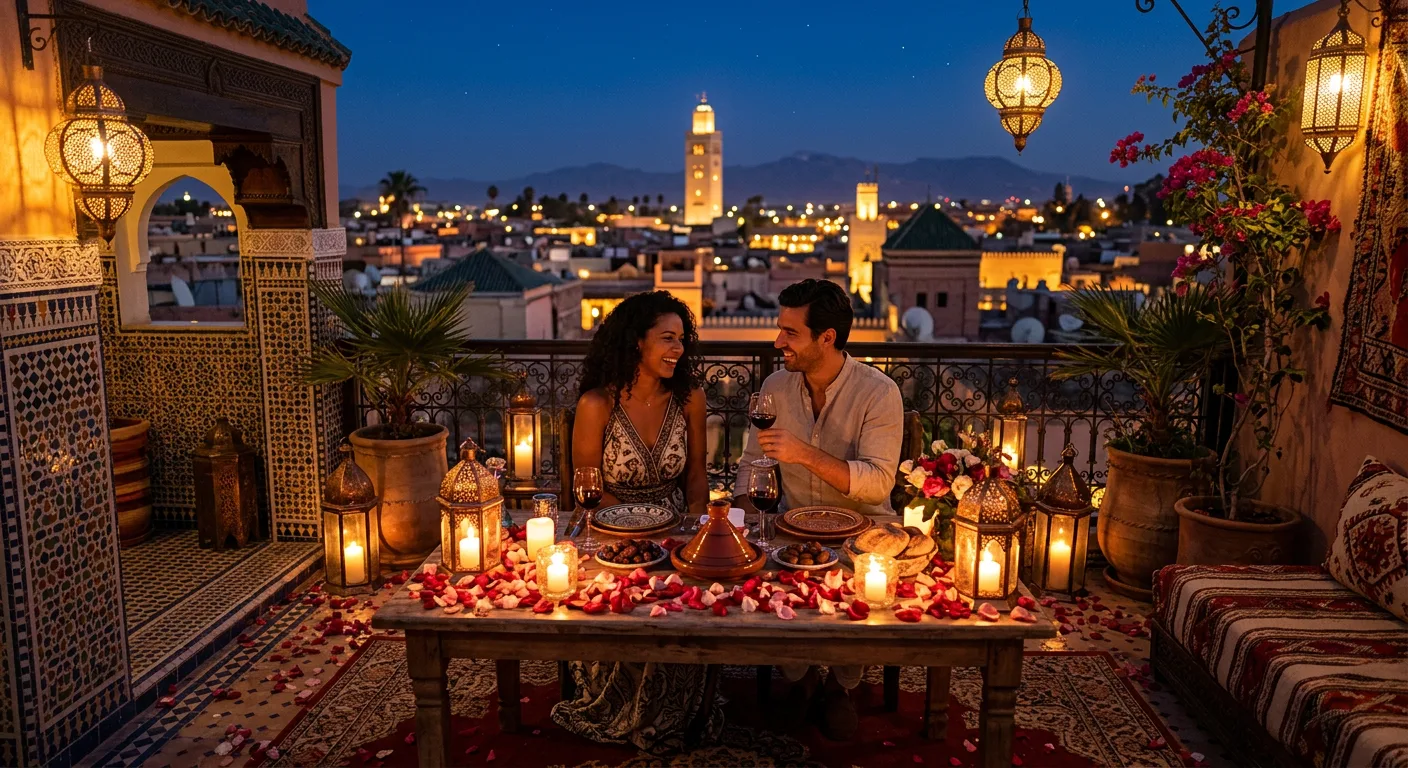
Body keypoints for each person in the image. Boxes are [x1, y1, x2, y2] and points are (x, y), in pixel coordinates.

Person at [735, 278, 904, 740]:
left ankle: (840, 686)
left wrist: (804, 454)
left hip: (864, 532)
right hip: (791, 524)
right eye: (779, 329)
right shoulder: (775, 386)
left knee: (862, 586)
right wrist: (742, 517)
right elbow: (752, 465)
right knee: (767, 569)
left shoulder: (878, 392)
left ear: (826, 339)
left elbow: (876, 485)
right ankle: (801, 677)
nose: (777, 342)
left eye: (790, 332)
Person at [550, 291, 719, 753]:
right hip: (611, 536)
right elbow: (588, 487)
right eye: (667, 339)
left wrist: (692, 527)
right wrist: (634, 527)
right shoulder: (596, 404)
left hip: (675, 535)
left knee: (686, 616)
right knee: (621, 613)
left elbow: (697, 475)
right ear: (635, 343)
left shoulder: (690, 400)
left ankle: (673, 709)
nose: (678, 350)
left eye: (682, 340)